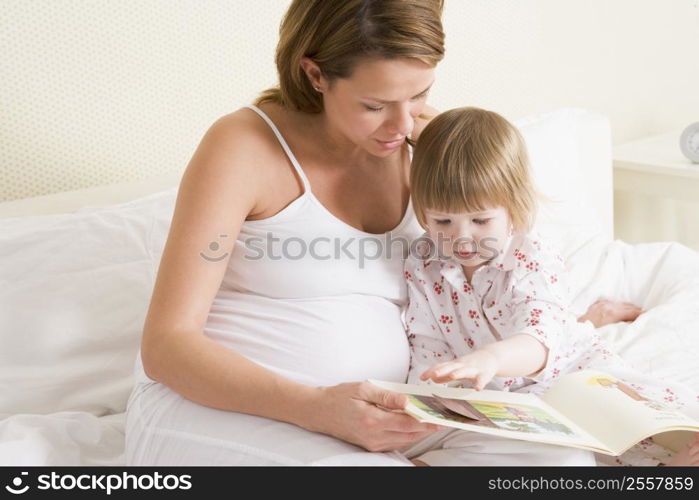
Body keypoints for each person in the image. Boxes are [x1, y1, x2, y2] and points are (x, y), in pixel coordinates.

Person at [125, 0, 642, 466]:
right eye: (375, 105)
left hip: (401, 415)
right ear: (315, 75)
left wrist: (568, 324)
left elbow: (507, 255)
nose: (403, 125)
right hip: (241, 410)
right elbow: (167, 346)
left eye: (419, 95)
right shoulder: (243, 146)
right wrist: (315, 408)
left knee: (561, 466)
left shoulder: (428, 139)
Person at [403, 106, 699, 466]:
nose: (462, 238)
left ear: (513, 209)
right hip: (498, 399)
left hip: (564, 370)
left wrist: (490, 360)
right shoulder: (423, 262)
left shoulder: (528, 254)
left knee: (632, 412)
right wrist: (431, 390)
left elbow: (539, 336)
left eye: (480, 220)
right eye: (442, 220)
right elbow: (426, 341)